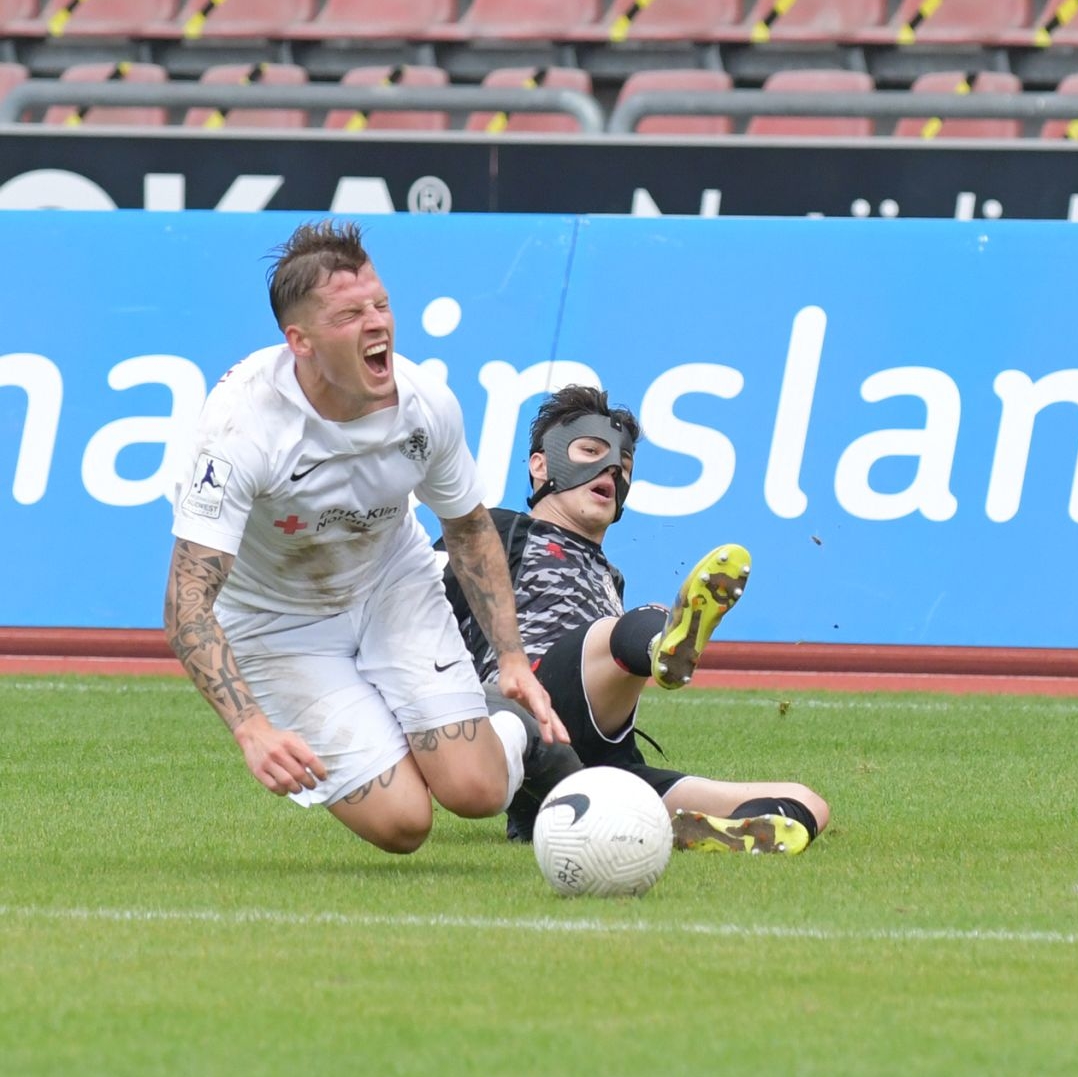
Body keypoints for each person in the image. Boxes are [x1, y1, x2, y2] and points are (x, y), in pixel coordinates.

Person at [165, 220, 581, 855]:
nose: (377, 323)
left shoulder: (426, 405)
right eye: (350, 314)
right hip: (276, 626)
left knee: (475, 792)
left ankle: (506, 726)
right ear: (299, 341)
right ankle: (419, 723)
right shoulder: (242, 431)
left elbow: (468, 531)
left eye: (381, 305)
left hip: (391, 586)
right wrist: (250, 728)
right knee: (404, 826)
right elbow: (187, 601)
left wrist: (514, 659)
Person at [440, 384, 829, 855]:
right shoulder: (498, 530)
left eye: (622, 467)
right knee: (619, 631)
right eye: (590, 451)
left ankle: (688, 830)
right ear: (540, 464)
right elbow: (412, 602)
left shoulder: (610, 578)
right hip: (526, 710)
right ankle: (662, 644)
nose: (610, 470)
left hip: (602, 761)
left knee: (805, 802)